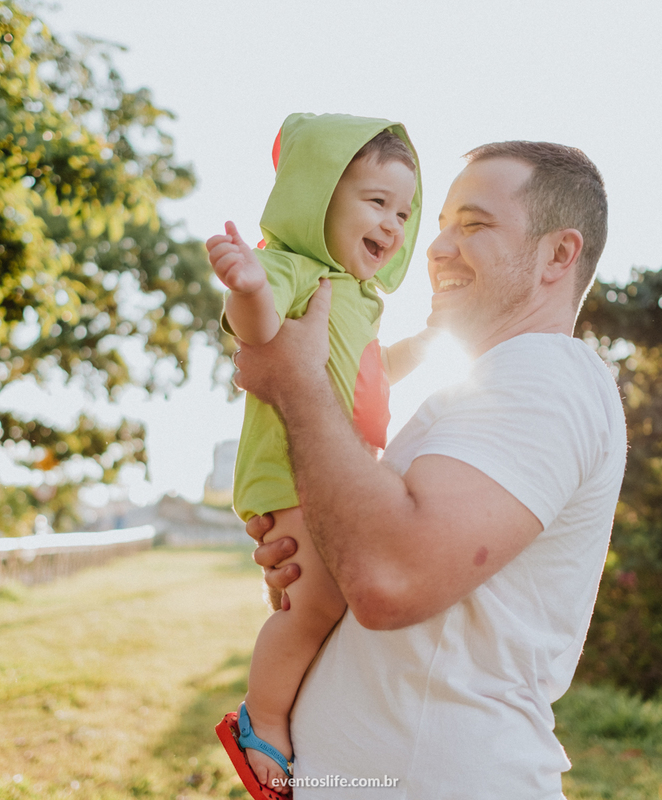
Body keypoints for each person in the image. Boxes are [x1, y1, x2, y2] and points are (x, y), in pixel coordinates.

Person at [234, 141, 627, 799]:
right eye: (441, 223)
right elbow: (374, 547)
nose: (436, 247)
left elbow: (390, 578)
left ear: (559, 254)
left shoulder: (543, 376)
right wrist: (313, 535)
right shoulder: (493, 386)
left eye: (473, 226)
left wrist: (295, 384)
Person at [206, 113, 434, 798]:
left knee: (330, 598)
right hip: (290, 470)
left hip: (338, 469)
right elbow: (264, 334)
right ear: (319, 197)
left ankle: (295, 707)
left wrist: (431, 343)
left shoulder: (361, 300)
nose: (393, 225)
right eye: (375, 202)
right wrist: (248, 285)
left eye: (403, 211)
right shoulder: (291, 267)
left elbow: (370, 373)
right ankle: (263, 719)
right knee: (311, 604)